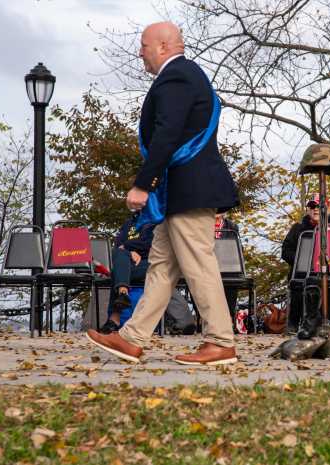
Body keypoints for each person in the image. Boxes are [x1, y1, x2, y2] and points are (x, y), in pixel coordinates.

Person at [86, 21, 240, 365]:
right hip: (181, 192)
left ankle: (220, 341)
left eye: (143, 45)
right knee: (162, 266)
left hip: (189, 189)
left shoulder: (178, 75)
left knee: (198, 261)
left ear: (163, 46)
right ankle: (132, 338)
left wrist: (143, 184)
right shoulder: (184, 75)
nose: (139, 52)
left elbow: (167, 132)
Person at [281, 194, 330, 344]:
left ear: (328, 208)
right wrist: (302, 261)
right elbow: (286, 252)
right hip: (303, 272)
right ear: (307, 209)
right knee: (300, 282)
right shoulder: (298, 229)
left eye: (319, 206)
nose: (315, 209)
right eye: (312, 206)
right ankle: (295, 324)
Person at [99, 214, 156, 334]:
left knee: (118, 270)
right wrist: (130, 252)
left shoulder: (155, 221)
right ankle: (123, 293)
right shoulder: (128, 223)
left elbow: (150, 243)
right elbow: (118, 244)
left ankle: (114, 318)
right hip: (129, 264)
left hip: (150, 264)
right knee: (119, 257)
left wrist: (127, 247)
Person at [214, 213, 240, 332]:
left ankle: (229, 317)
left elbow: (238, 248)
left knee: (232, 277)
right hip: (205, 263)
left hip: (226, 265)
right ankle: (203, 318)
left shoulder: (232, 226)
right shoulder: (201, 224)